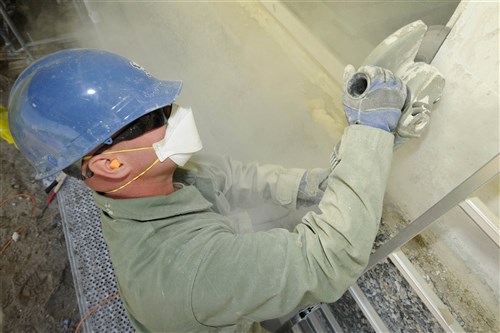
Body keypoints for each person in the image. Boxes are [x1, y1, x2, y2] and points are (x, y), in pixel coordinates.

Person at [9, 49, 408, 332]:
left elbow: (232, 176)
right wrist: (371, 132)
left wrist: (316, 184)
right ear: (109, 164)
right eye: (152, 117)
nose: (174, 115)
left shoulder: (148, 178)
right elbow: (328, 260)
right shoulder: (189, 271)